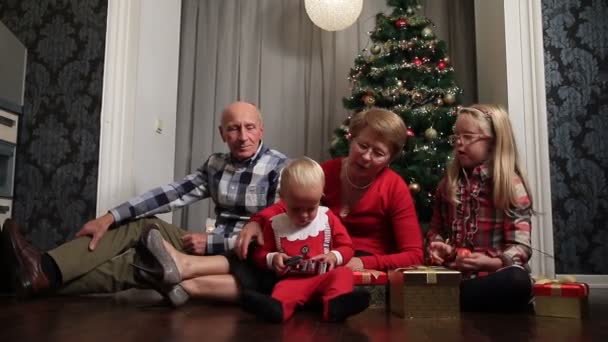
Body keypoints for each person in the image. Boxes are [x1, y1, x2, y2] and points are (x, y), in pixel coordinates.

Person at [4, 101, 288, 301]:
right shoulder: (216, 164)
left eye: (249, 128)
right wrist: (110, 217)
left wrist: (211, 242)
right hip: (208, 244)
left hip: (241, 257)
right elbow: (170, 194)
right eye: (233, 129)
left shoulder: (279, 168)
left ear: (261, 130)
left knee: (143, 264)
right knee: (141, 225)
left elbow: (273, 233)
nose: (242, 137)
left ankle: (40, 276)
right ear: (221, 133)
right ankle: (43, 272)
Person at [237, 108, 424, 271]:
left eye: (378, 153)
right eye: (363, 146)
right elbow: (293, 203)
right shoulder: (325, 172)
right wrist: (257, 221)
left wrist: (365, 262)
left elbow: (414, 255)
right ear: (351, 139)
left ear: (390, 159)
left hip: (362, 269)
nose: (366, 157)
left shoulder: (395, 187)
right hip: (318, 257)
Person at [426, 104, 534, 313]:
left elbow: (520, 246)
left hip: (494, 274)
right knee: (411, 277)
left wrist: (491, 263)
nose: (459, 143)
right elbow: (435, 231)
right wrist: (439, 247)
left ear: (493, 143)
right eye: (456, 137)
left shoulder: (510, 185)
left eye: (468, 137)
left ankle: (455, 300)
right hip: (455, 274)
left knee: (517, 280)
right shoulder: (448, 184)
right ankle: (458, 298)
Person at [240, 157, 370, 322]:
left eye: (311, 208)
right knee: (283, 289)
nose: (304, 216)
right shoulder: (275, 224)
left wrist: (333, 256)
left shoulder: (327, 218)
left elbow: (347, 247)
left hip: (324, 276)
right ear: (283, 198)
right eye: (296, 209)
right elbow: (259, 254)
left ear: (320, 197)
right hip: (293, 280)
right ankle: (277, 309)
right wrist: (273, 258)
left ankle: (336, 305)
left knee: (343, 274)